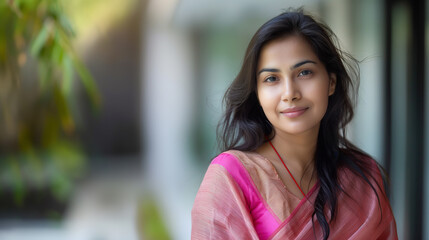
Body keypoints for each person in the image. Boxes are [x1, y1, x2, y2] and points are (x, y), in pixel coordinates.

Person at [191, 9, 397, 240]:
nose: (290, 93)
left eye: (304, 72)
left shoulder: (361, 177)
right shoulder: (232, 178)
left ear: (331, 82)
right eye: (272, 79)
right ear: (257, 93)